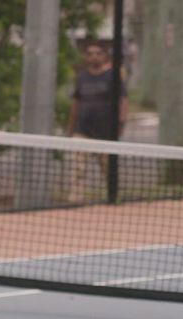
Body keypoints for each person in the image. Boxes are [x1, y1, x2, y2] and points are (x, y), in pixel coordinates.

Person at [66, 42, 128, 203]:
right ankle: (76, 199)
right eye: (90, 53)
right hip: (82, 130)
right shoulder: (81, 77)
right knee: (78, 167)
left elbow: (123, 100)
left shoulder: (112, 76)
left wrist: (121, 122)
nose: (94, 56)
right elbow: (76, 103)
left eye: (98, 53)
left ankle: (113, 197)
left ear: (104, 56)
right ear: (86, 57)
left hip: (106, 132)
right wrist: (71, 128)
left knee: (108, 169)